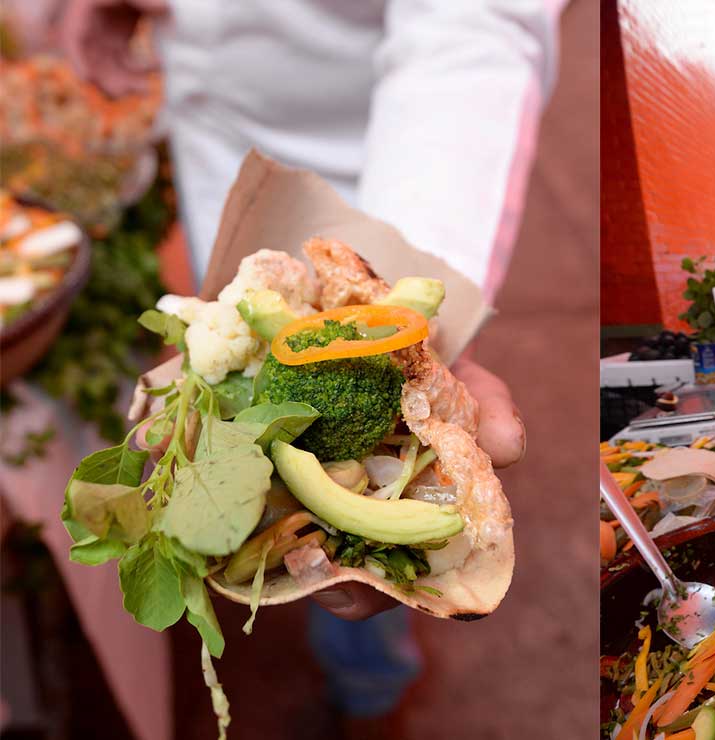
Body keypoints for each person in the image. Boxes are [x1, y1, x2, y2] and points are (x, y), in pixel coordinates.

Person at [61, 0, 554, 731]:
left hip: (382, 136)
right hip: (211, 122)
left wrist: (399, 324)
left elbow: (475, 22)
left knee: (358, 546)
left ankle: (374, 691)